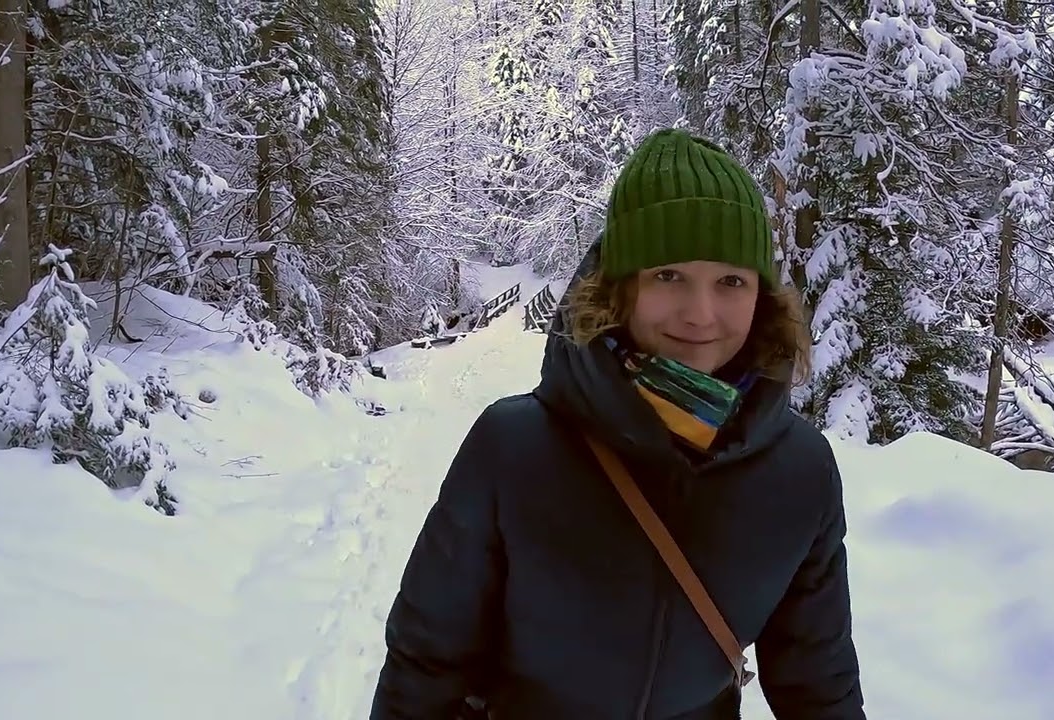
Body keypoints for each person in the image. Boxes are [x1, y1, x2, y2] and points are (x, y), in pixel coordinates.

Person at [369, 128, 865, 719]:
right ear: (619, 288)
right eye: (668, 276)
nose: (700, 314)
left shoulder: (799, 473)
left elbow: (818, 682)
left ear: (763, 294)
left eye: (730, 281)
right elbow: (424, 664)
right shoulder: (514, 448)